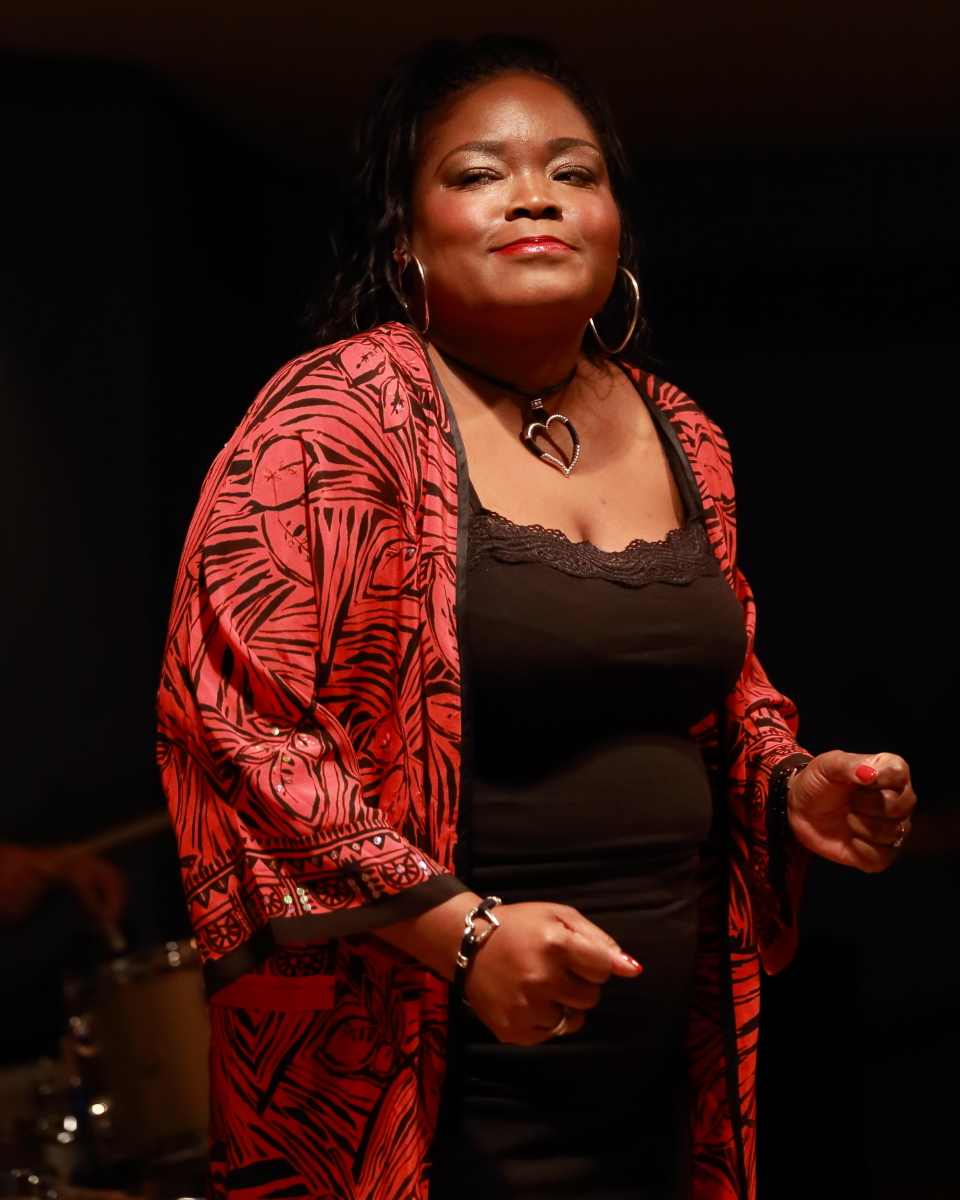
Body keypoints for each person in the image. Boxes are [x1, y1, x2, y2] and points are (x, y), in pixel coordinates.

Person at [157, 35, 917, 1200]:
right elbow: (234, 722)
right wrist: (463, 935)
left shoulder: (684, 432)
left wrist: (789, 783)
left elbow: (722, 694)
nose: (534, 196)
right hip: (422, 1078)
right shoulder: (339, 418)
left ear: (615, 228)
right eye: (479, 174)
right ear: (404, 238)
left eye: (573, 171)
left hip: (659, 1078)